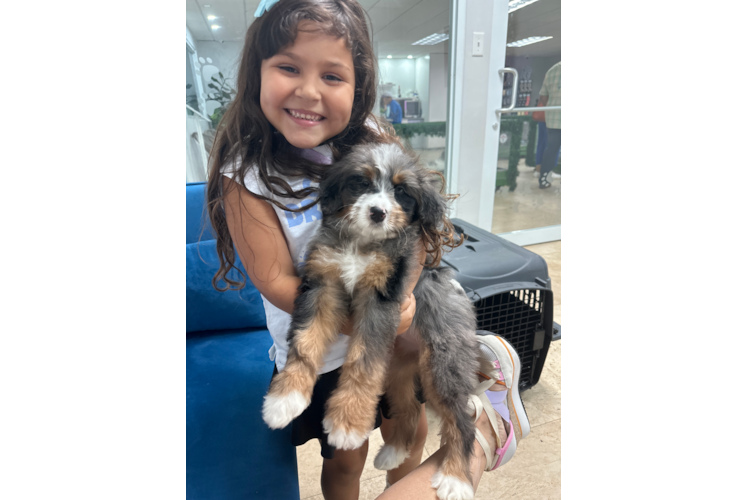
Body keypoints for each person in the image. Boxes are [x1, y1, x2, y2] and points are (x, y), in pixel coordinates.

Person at [204, 1, 527, 498]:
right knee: (344, 460)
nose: (309, 91)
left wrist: (399, 295)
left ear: (358, 89)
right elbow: (275, 282)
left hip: (398, 329)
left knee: (411, 422)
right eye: (289, 67)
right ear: (256, 75)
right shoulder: (246, 178)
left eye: (332, 76)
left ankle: (431, 445)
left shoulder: (371, 138)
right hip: (325, 347)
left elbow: (415, 230)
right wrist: (370, 317)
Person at [537, 61, 561, 189]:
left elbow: (543, 96)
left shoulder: (552, 70)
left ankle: (544, 180)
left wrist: (551, 108)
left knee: (551, 149)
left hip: (553, 118)